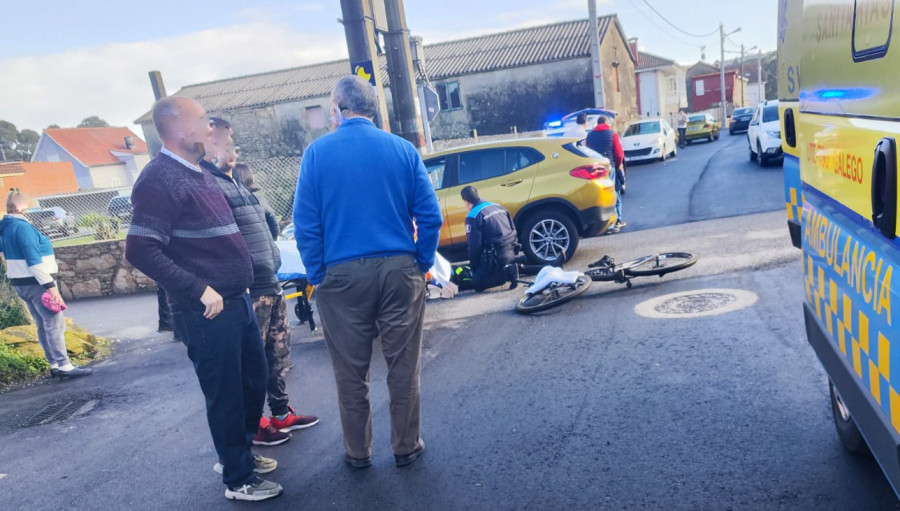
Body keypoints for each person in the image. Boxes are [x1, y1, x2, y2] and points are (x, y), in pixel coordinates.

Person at [125, 96, 281, 502]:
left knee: (253, 378)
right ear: (177, 128)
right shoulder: (159, 179)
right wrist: (199, 289)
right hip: (207, 310)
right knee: (225, 393)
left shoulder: (200, 173)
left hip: (236, 300)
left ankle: (238, 454)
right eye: (201, 121)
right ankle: (238, 479)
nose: (209, 129)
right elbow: (141, 249)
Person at [294, 75, 442, 469]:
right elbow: (430, 215)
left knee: (350, 371)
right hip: (399, 269)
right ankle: (405, 446)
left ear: (338, 109)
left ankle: (358, 452)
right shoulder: (403, 150)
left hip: (340, 274)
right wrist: (421, 263)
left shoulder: (317, 153)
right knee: (403, 364)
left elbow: (306, 223)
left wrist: (317, 274)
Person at [202, 117, 319, 449]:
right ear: (206, 146)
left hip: (271, 285)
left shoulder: (238, 184)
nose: (230, 149)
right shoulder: (211, 188)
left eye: (231, 141)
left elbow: (266, 226)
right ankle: (256, 425)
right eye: (222, 142)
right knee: (251, 366)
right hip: (248, 292)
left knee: (277, 356)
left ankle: (281, 414)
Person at [0, 190, 92, 379]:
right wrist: (51, 287)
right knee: (53, 323)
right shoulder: (22, 228)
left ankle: (55, 363)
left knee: (42, 324)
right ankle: (65, 365)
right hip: (37, 283)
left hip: (21, 283)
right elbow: (33, 260)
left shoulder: (7, 227)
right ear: (22, 206)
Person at [453, 186, 519, 292]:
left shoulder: (473, 216)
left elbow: (474, 247)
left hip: (495, 257)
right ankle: (514, 267)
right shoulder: (498, 206)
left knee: (477, 283)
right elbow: (513, 228)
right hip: (512, 250)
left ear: (466, 202)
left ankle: (507, 273)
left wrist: (474, 268)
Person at [586, 115, 626, 233]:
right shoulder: (612, 134)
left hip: (595, 168)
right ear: (606, 122)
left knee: (600, 194)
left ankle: (603, 221)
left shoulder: (590, 136)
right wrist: (617, 165)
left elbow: (587, 151)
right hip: (609, 166)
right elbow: (619, 153)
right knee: (614, 192)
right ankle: (617, 218)